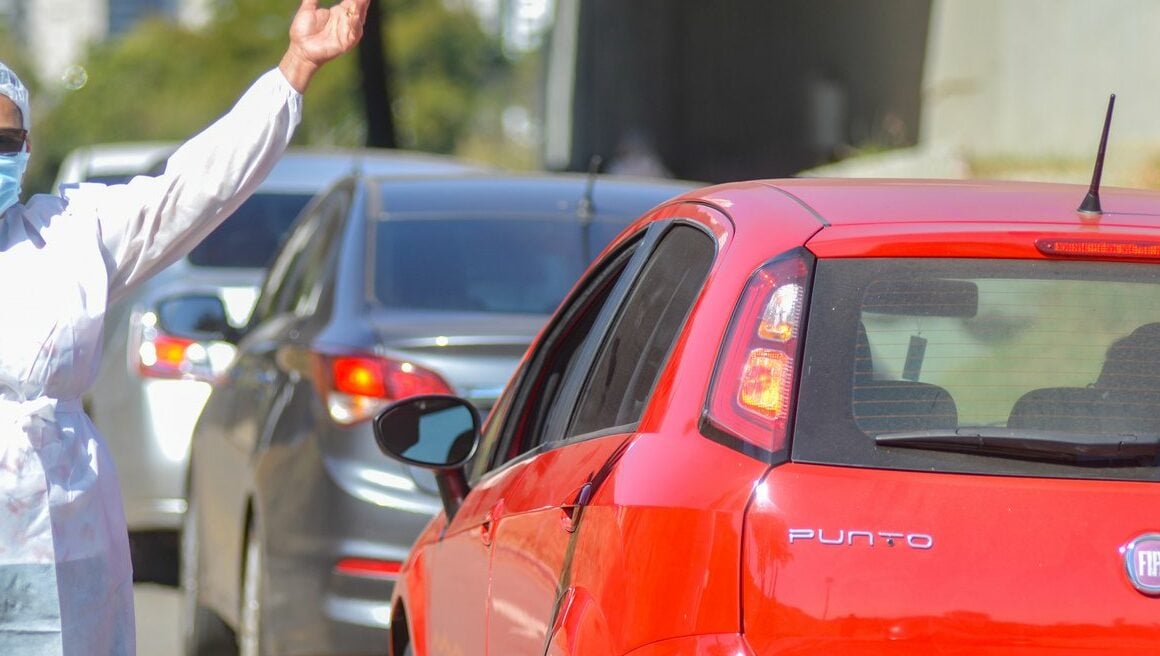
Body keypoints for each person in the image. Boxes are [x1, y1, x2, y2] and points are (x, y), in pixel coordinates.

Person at [0, 1, 369, 653]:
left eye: (3, 142)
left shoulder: (68, 237)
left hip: (60, 536)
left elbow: (195, 188)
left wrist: (295, 68)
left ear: (27, 146)